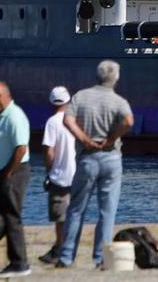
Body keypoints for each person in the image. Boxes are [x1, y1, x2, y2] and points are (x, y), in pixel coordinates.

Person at [56, 60, 134, 270]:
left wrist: (84, 139)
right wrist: (110, 139)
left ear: (96, 75)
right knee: (107, 211)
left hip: (87, 157)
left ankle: (66, 257)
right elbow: (128, 121)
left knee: (76, 209)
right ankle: (100, 258)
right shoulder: (119, 101)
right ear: (115, 78)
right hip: (111, 158)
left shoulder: (81, 97)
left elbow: (67, 120)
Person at [0, 80, 31, 279]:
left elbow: (21, 147)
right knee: (6, 216)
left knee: (12, 217)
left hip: (14, 172)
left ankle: (20, 263)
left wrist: (8, 173)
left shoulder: (14, 116)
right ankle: (14, 259)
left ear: (8, 95)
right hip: (3, 172)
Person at [37, 86, 76, 265]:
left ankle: (60, 249)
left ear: (51, 103)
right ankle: (69, 248)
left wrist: (48, 172)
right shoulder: (77, 118)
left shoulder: (52, 122)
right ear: (68, 100)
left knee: (60, 218)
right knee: (74, 214)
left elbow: (49, 151)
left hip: (59, 176)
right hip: (78, 175)